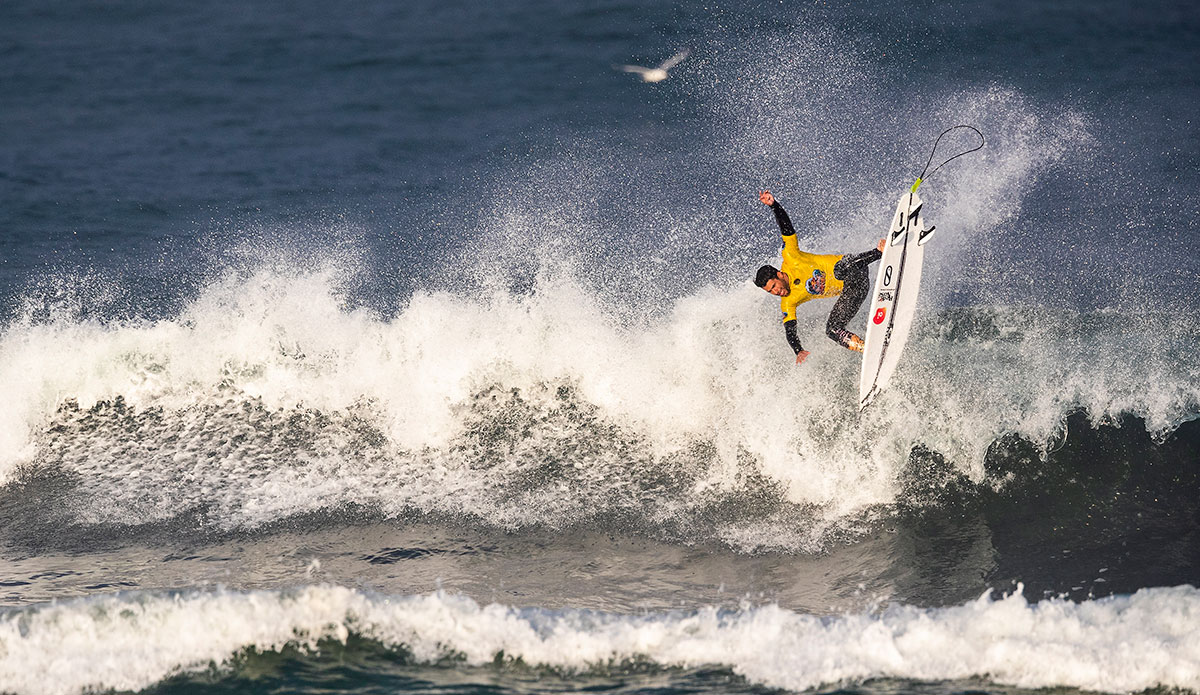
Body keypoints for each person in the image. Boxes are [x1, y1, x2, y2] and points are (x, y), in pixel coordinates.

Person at [753, 190, 884, 365]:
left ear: (779, 275)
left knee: (840, 269)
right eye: (771, 292)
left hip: (854, 268)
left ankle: (880, 252)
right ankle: (869, 349)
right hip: (854, 292)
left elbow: (786, 229)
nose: (776, 292)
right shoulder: (788, 302)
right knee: (831, 329)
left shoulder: (791, 256)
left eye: (774, 286)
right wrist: (798, 349)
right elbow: (790, 330)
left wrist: (774, 206)